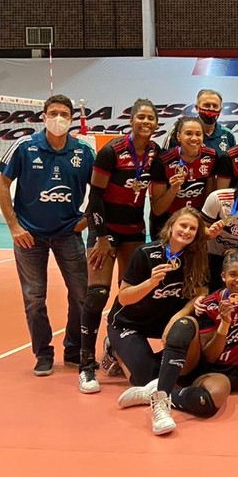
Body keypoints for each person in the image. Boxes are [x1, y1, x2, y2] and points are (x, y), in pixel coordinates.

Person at [117, 246, 238, 435]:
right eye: (233, 274)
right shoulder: (210, 304)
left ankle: (157, 394)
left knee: (209, 402)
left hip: (226, 371)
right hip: (201, 364)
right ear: (223, 277)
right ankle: (160, 399)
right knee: (185, 324)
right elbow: (210, 356)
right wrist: (224, 324)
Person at [0, 94, 94, 376]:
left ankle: (74, 349)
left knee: (81, 296)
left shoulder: (83, 152)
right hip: (30, 236)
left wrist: (86, 219)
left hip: (68, 234)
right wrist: (15, 227)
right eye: (54, 113)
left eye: (64, 113)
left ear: (72, 119)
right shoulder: (25, 146)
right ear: (44, 116)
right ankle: (43, 353)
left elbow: (99, 190)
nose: (59, 118)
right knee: (34, 298)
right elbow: (2, 186)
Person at [78, 98, 160, 394]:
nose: (146, 122)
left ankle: (112, 345)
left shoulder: (155, 153)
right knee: (97, 294)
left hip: (135, 231)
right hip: (106, 231)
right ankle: (86, 365)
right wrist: (100, 237)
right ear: (131, 120)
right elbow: (95, 197)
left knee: (129, 297)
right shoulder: (111, 151)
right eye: (141, 117)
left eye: (151, 118)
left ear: (157, 123)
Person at [106, 208, 210, 434]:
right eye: (183, 225)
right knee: (150, 375)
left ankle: (150, 390)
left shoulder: (196, 256)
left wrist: (177, 317)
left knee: (188, 367)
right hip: (129, 322)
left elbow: (200, 292)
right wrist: (151, 283)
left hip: (163, 322)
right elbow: (123, 296)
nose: (187, 231)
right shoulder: (146, 253)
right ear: (171, 226)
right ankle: (114, 349)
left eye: (193, 228)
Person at [150, 116, 218, 237]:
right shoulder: (163, 161)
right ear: (178, 136)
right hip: (166, 223)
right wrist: (173, 190)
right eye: (188, 133)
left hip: (195, 222)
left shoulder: (211, 156)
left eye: (198, 134)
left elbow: (209, 196)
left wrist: (204, 224)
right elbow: (158, 210)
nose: (194, 138)